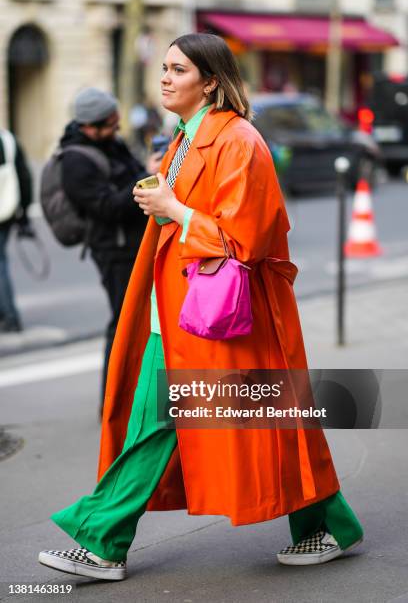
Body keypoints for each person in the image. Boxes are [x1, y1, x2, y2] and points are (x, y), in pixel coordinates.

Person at [39, 34, 363, 581]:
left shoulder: (239, 140)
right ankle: (106, 541)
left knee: (254, 420)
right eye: (163, 67)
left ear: (210, 81)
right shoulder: (186, 136)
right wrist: (164, 204)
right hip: (184, 315)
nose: (164, 78)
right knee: (187, 422)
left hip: (221, 316)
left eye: (178, 69)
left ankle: (104, 542)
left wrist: (173, 208)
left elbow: (247, 241)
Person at [59, 88, 162, 412]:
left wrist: (146, 171)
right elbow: (106, 208)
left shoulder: (110, 143)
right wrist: (147, 182)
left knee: (138, 322)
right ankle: (113, 401)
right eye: (111, 124)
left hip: (132, 243)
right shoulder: (75, 160)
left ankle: (132, 395)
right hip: (113, 251)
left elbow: (131, 174)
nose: (117, 129)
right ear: (90, 124)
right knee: (122, 323)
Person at [0, 129, 33, 333]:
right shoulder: (8, 140)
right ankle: (6, 314)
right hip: (7, 210)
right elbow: (24, 176)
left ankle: (10, 316)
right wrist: (24, 214)